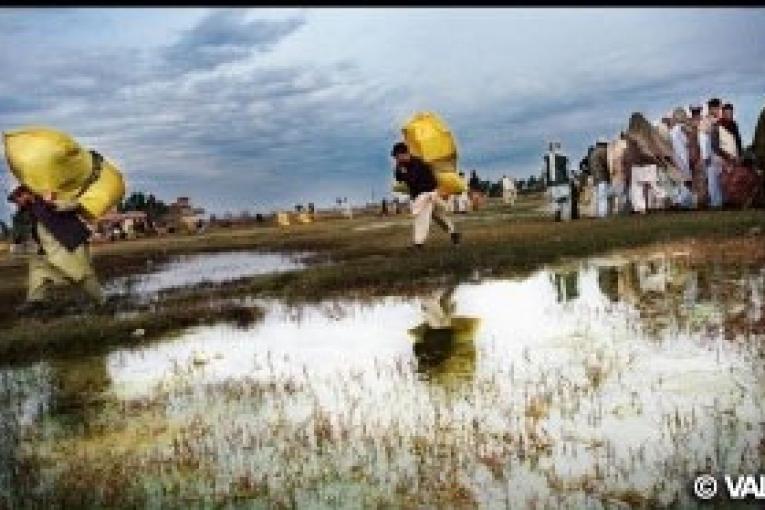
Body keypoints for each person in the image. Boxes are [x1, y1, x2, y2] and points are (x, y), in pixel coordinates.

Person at [7, 185, 105, 314]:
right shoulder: (26, 212)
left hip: (69, 244)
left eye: (16, 198)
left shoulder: (50, 197)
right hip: (47, 250)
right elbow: (20, 231)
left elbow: (75, 205)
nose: (16, 202)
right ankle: (35, 301)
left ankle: (102, 301)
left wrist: (52, 203)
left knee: (81, 274)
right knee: (37, 270)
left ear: (26, 193)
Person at [391, 142, 461, 248]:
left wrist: (404, 173)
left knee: (420, 217)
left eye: (396, 157)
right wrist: (399, 169)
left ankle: (418, 243)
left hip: (426, 194)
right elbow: (398, 178)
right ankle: (454, 233)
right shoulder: (404, 165)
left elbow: (412, 179)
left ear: (403, 154)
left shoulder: (418, 163)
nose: (396, 159)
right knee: (439, 217)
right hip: (428, 194)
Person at [700, 98, 724, 208]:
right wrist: (706, 156)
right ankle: (715, 202)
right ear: (712, 108)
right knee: (712, 179)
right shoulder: (706, 121)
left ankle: (719, 201)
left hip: (717, 153)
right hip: (711, 154)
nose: (720, 110)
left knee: (719, 178)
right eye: (718, 108)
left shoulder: (716, 121)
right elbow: (703, 139)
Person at [590, 138, 611, 218]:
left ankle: (599, 213)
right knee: (603, 196)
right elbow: (606, 163)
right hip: (603, 176)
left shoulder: (593, 153)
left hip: (595, 177)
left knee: (598, 197)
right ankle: (603, 214)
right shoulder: (602, 151)